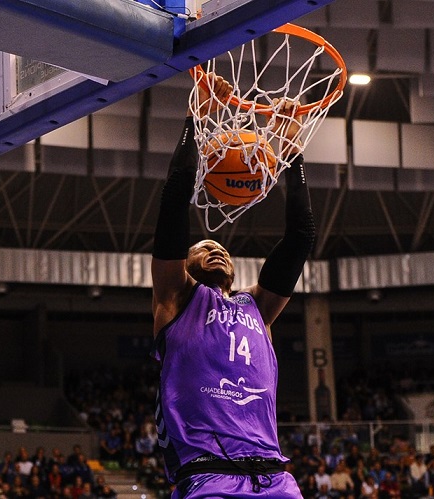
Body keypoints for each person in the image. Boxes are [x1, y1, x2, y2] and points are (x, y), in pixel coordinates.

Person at [151, 73, 315, 498]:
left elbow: (300, 238)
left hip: (276, 479)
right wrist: (197, 116)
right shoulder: (175, 299)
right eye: (203, 246)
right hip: (209, 476)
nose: (216, 249)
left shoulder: (256, 308)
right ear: (183, 264)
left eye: (221, 247)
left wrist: (291, 151)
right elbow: (173, 205)